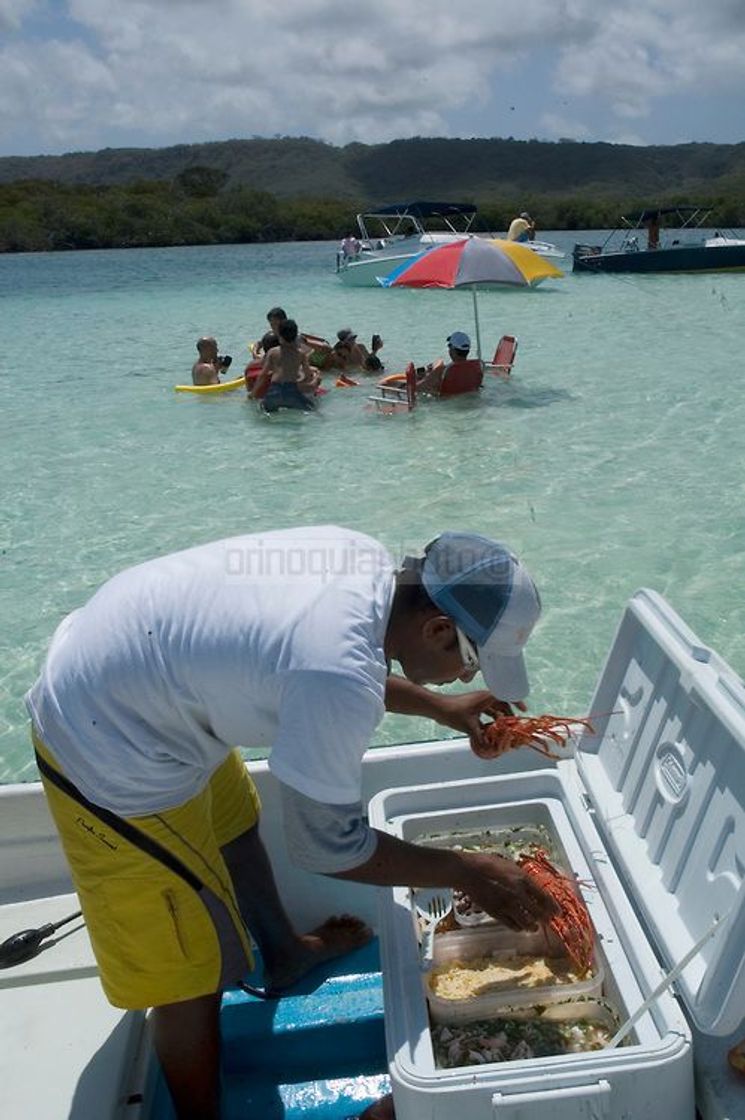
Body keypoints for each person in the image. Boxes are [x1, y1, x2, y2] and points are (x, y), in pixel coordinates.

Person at [26, 525, 556, 1119]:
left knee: (234, 818)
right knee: (188, 970)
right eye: (470, 664)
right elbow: (325, 847)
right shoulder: (338, 675)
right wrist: (468, 870)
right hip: (106, 744)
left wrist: (438, 707)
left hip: (144, 682)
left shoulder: (361, 561)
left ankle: (284, 952)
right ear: (435, 628)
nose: (467, 681)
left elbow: (320, 659)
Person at [251, 318, 319, 412]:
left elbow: (263, 375)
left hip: (275, 390)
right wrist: (315, 378)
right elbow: (308, 376)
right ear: (295, 336)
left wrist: (253, 394)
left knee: (263, 410)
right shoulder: (300, 354)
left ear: (279, 335)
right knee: (312, 409)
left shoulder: (273, 352)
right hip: (291, 391)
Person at [416, 331, 474, 396]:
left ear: (452, 349)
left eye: (449, 345)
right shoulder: (475, 369)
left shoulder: (442, 371)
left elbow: (416, 388)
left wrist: (422, 378)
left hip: (442, 402)